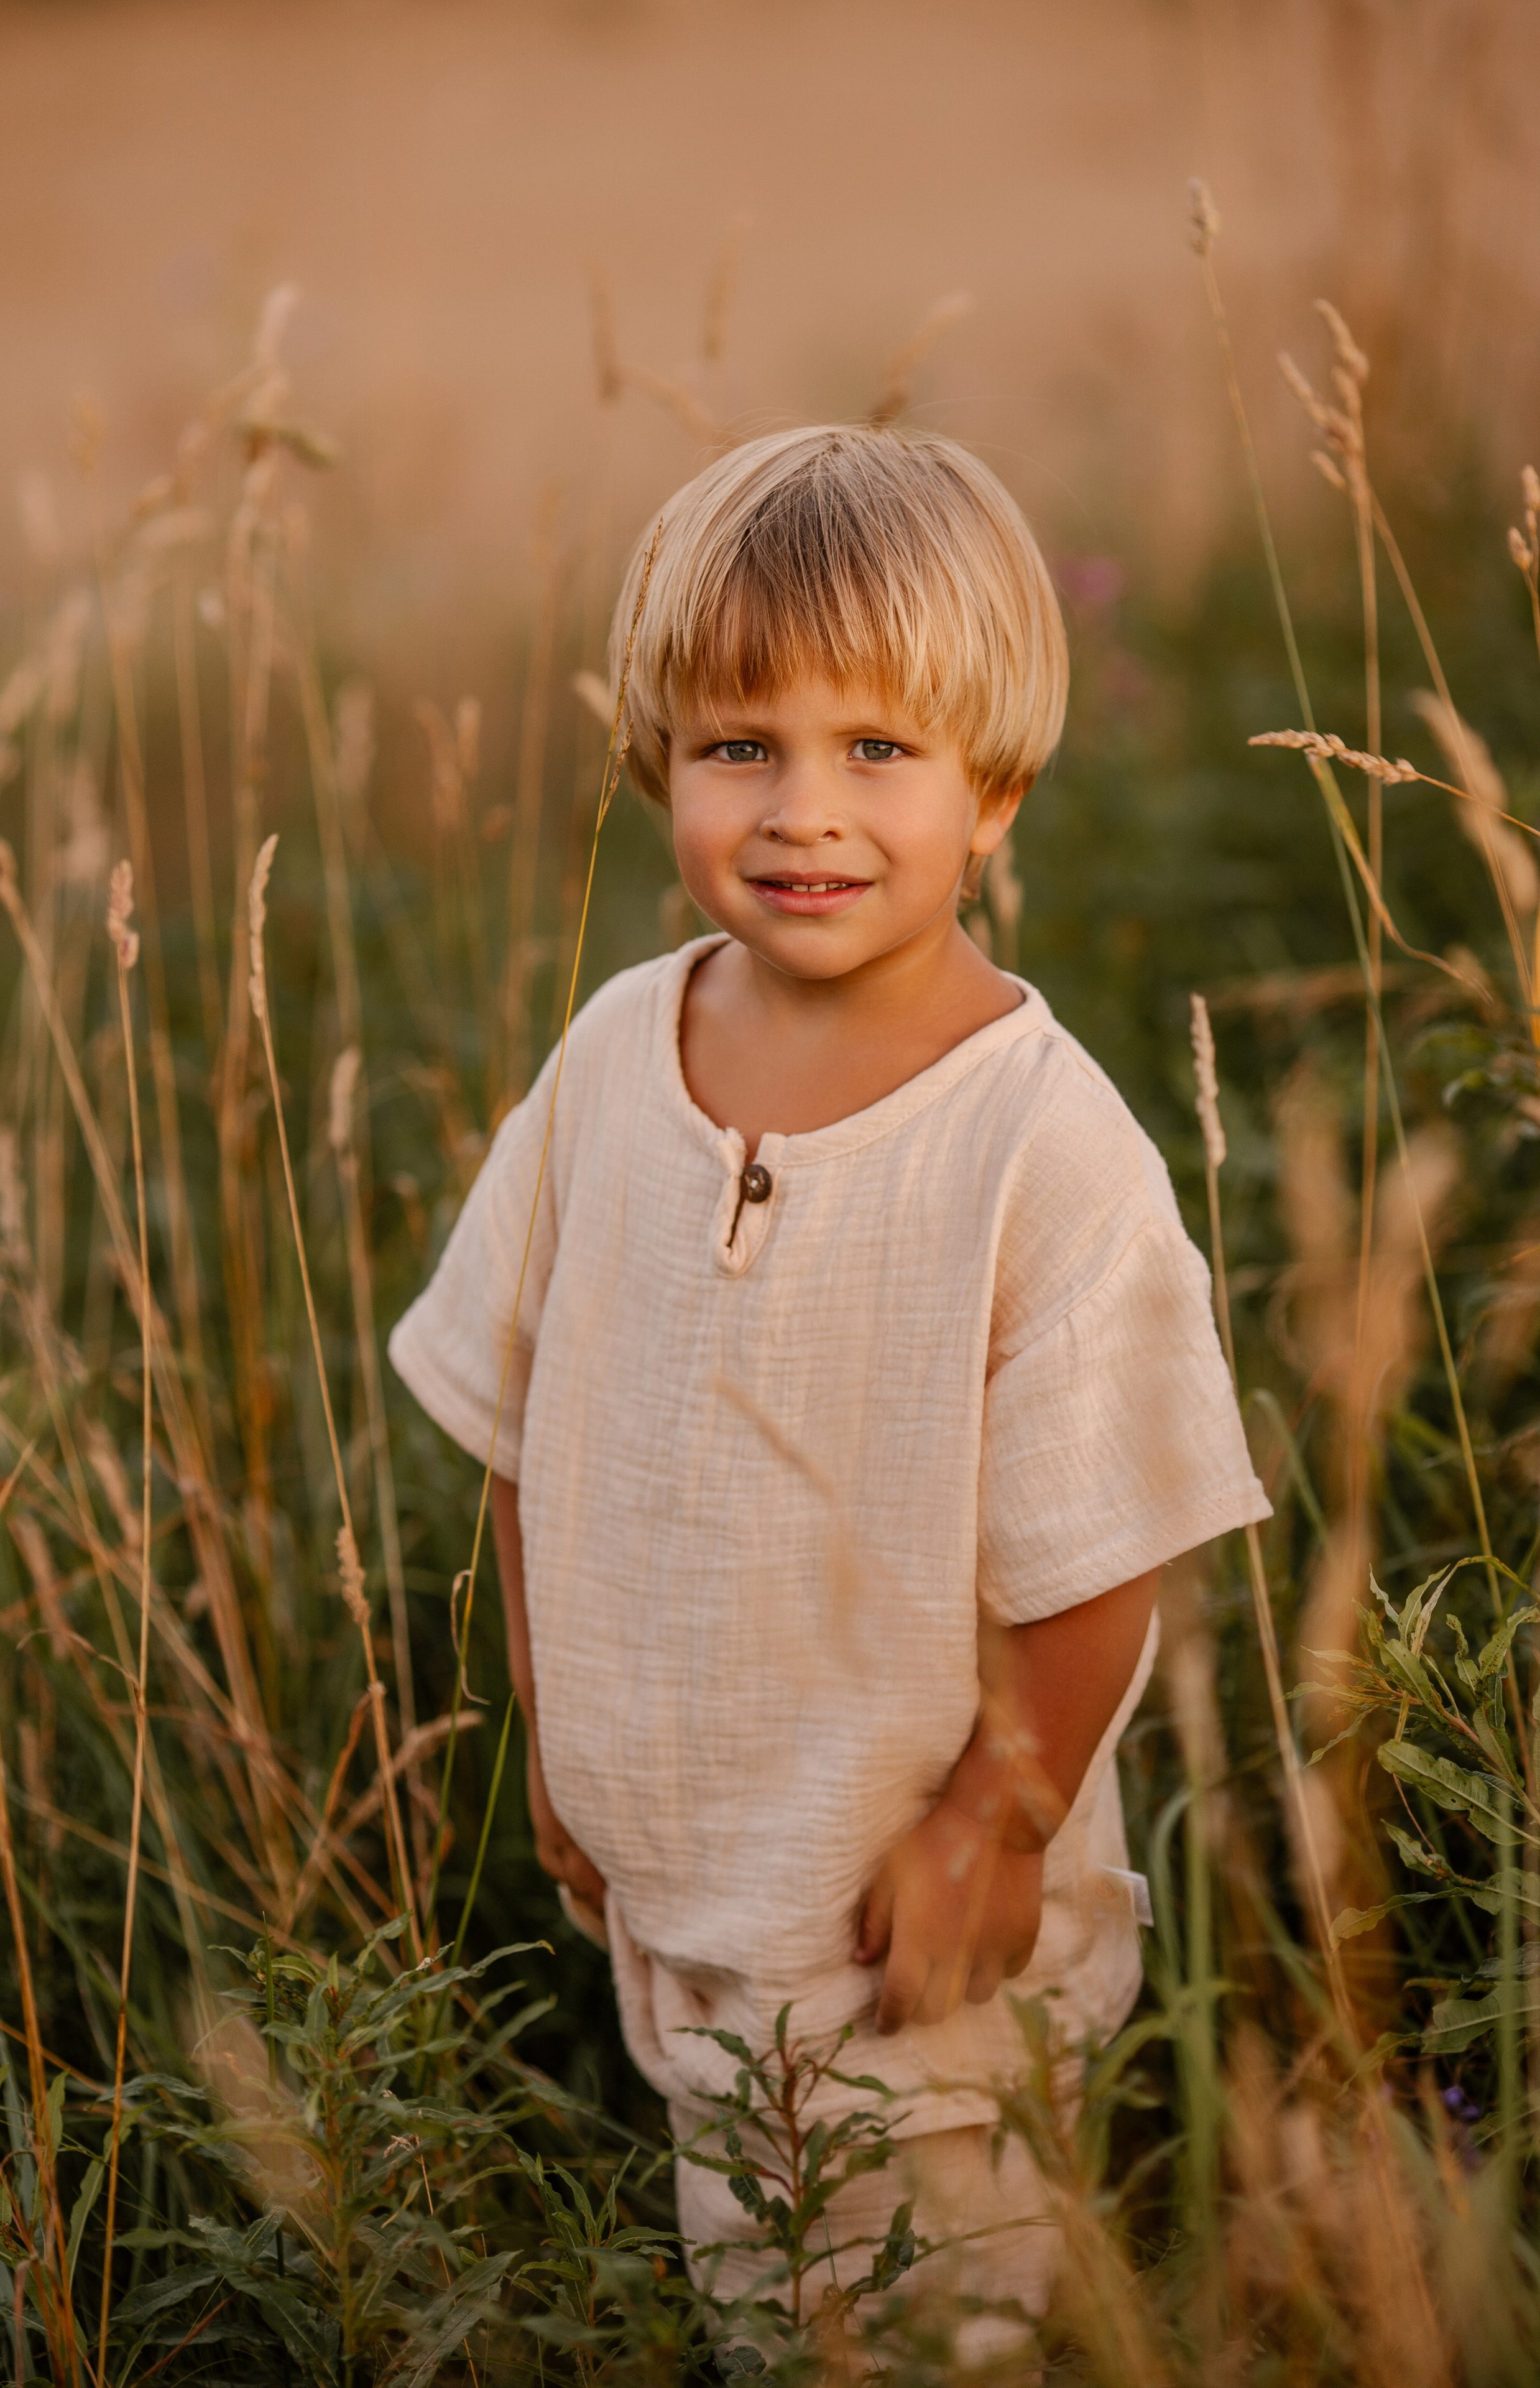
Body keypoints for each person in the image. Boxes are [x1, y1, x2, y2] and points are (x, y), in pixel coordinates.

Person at [389, 425, 1269, 2349]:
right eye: (742, 746)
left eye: (878, 750)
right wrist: (552, 1711)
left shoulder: (1042, 1146)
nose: (806, 811)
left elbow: (1099, 1537)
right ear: (659, 758)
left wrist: (1000, 1821)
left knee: (935, 2314)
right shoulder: (621, 1058)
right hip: (698, 1887)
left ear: (997, 788)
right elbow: (530, 1408)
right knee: (765, 2297)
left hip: (925, 1939)